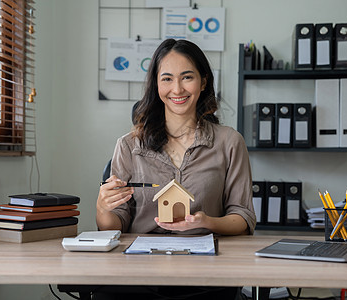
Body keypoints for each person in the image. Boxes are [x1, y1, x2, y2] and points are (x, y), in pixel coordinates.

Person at [95, 38, 256, 299]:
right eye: (167, 78)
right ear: (156, 84)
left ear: (203, 82)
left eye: (187, 77)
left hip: (207, 273)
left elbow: (244, 217)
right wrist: (103, 207)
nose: (177, 89)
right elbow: (115, 227)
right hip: (137, 274)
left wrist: (208, 221)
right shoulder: (129, 145)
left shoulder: (229, 142)